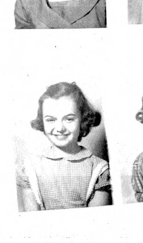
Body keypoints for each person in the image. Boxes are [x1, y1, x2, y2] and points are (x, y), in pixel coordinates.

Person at [18, 82, 111, 211]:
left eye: (69, 119)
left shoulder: (99, 169)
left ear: (82, 120)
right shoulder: (30, 168)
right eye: (51, 120)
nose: (60, 128)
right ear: (42, 122)